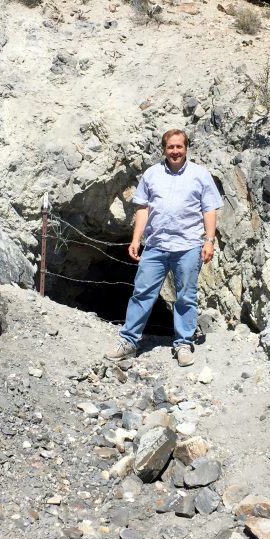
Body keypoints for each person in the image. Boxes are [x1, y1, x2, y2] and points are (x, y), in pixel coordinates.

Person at [105, 128, 222, 366]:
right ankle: (128, 341)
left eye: (179, 147)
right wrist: (136, 239)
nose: (175, 151)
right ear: (164, 149)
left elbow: (209, 209)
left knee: (186, 297)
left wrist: (209, 240)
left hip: (188, 246)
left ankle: (183, 344)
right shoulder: (152, 174)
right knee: (141, 293)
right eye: (171, 147)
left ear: (186, 148)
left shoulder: (200, 174)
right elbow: (142, 209)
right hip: (156, 246)